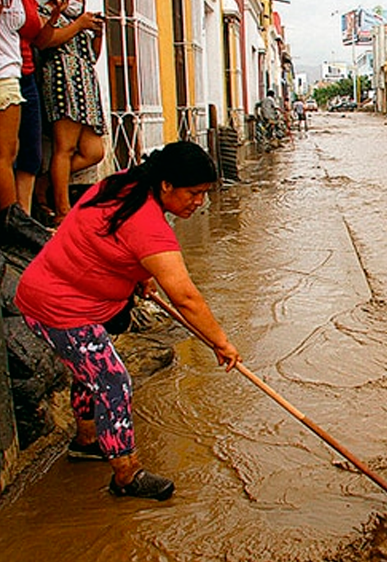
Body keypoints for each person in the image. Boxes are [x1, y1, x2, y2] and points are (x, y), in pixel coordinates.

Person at [15, 141, 242, 501]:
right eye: (194, 193)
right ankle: (126, 474)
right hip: (58, 306)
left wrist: (140, 276)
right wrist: (221, 342)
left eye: (204, 194)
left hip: (63, 296)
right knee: (111, 378)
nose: (200, 202)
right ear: (166, 185)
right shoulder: (148, 224)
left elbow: (104, 237)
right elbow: (185, 298)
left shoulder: (126, 184)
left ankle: (87, 441)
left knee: (87, 368)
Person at [37, 0, 107, 226]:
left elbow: (92, 57)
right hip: (62, 78)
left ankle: (44, 183)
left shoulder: (79, 16)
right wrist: (78, 25)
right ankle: (62, 210)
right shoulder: (48, 9)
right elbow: (45, 41)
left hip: (84, 83)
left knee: (94, 151)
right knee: (64, 148)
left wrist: (97, 34)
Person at [0, 0, 26, 215]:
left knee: (10, 153)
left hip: (11, 72)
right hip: (2, 75)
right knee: (4, 156)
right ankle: (9, 223)